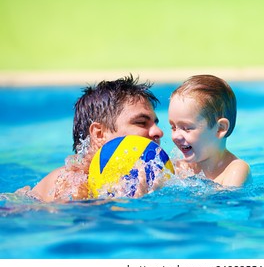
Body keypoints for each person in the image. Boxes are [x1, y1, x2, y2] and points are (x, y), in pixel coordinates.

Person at [16, 74, 164, 202]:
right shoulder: (71, 182)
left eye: (154, 123)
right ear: (99, 134)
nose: (158, 132)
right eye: (141, 122)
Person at [168, 74, 251, 187]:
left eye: (186, 128)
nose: (175, 136)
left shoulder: (236, 170)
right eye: (173, 127)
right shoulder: (179, 168)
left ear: (220, 128)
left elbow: (224, 203)